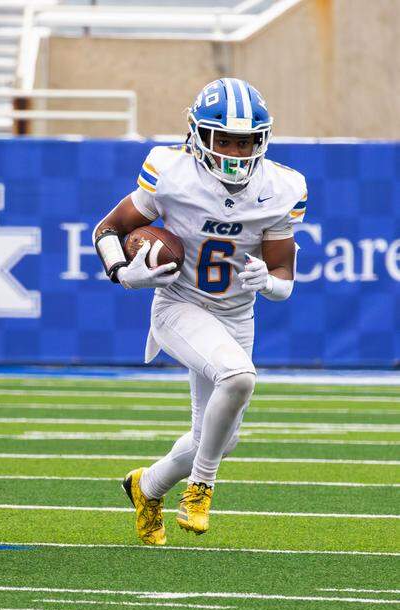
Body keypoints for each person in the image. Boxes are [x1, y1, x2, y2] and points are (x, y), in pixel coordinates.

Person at [92, 78, 304, 545]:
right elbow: (106, 230)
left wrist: (267, 282)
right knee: (239, 378)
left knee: (221, 437)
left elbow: (284, 279)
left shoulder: (281, 186)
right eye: (222, 138)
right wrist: (126, 274)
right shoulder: (172, 173)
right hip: (179, 305)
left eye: (245, 140)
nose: (234, 150)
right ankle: (201, 487)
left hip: (236, 315)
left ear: (262, 139)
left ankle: (146, 487)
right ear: (197, 135)